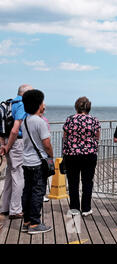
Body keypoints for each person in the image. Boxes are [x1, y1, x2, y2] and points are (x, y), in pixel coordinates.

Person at [21, 89, 53, 234]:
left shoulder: (25, 121)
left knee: (27, 191)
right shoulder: (40, 122)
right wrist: (51, 156)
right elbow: (46, 143)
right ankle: (35, 223)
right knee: (37, 192)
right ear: (38, 104)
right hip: (38, 163)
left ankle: (27, 220)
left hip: (26, 161)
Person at [63, 97, 101, 217]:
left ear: (76, 107)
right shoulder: (94, 120)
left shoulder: (70, 119)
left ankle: (74, 208)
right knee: (87, 182)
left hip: (71, 155)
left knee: (73, 183)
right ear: (88, 107)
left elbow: (65, 136)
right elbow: (97, 136)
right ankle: (86, 208)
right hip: (89, 155)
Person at [0, 84, 33, 220]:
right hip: (16, 142)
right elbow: (15, 129)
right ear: (25, 94)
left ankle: (5, 207)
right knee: (18, 176)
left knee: (9, 175)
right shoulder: (22, 104)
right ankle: (15, 210)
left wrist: (3, 145)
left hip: (7, 140)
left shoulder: (9, 103)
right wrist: (8, 146)